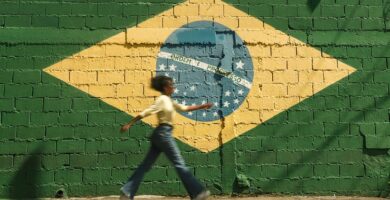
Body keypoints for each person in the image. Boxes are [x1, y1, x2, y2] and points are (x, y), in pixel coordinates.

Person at [119, 75, 212, 200]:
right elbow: (147, 112)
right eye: (171, 85)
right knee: (179, 164)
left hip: (161, 135)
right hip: (163, 134)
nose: (173, 87)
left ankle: (127, 193)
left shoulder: (169, 101)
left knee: (145, 166)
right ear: (165, 87)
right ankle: (198, 192)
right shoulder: (162, 99)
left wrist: (202, 106)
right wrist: (130, 123)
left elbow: (184, 108)